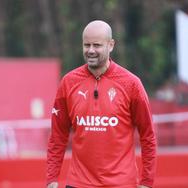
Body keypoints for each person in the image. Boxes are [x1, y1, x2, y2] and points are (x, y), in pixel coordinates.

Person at [47, 20, 157, 188]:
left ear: (111, 45)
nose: (90, 50)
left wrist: (147, 182)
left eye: (97, 45)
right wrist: (52, 178)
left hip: (121, 184)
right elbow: (57, 137)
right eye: (86, 45)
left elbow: (148, 136)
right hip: (79, 183)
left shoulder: (132, 84)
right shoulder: (68, 83)